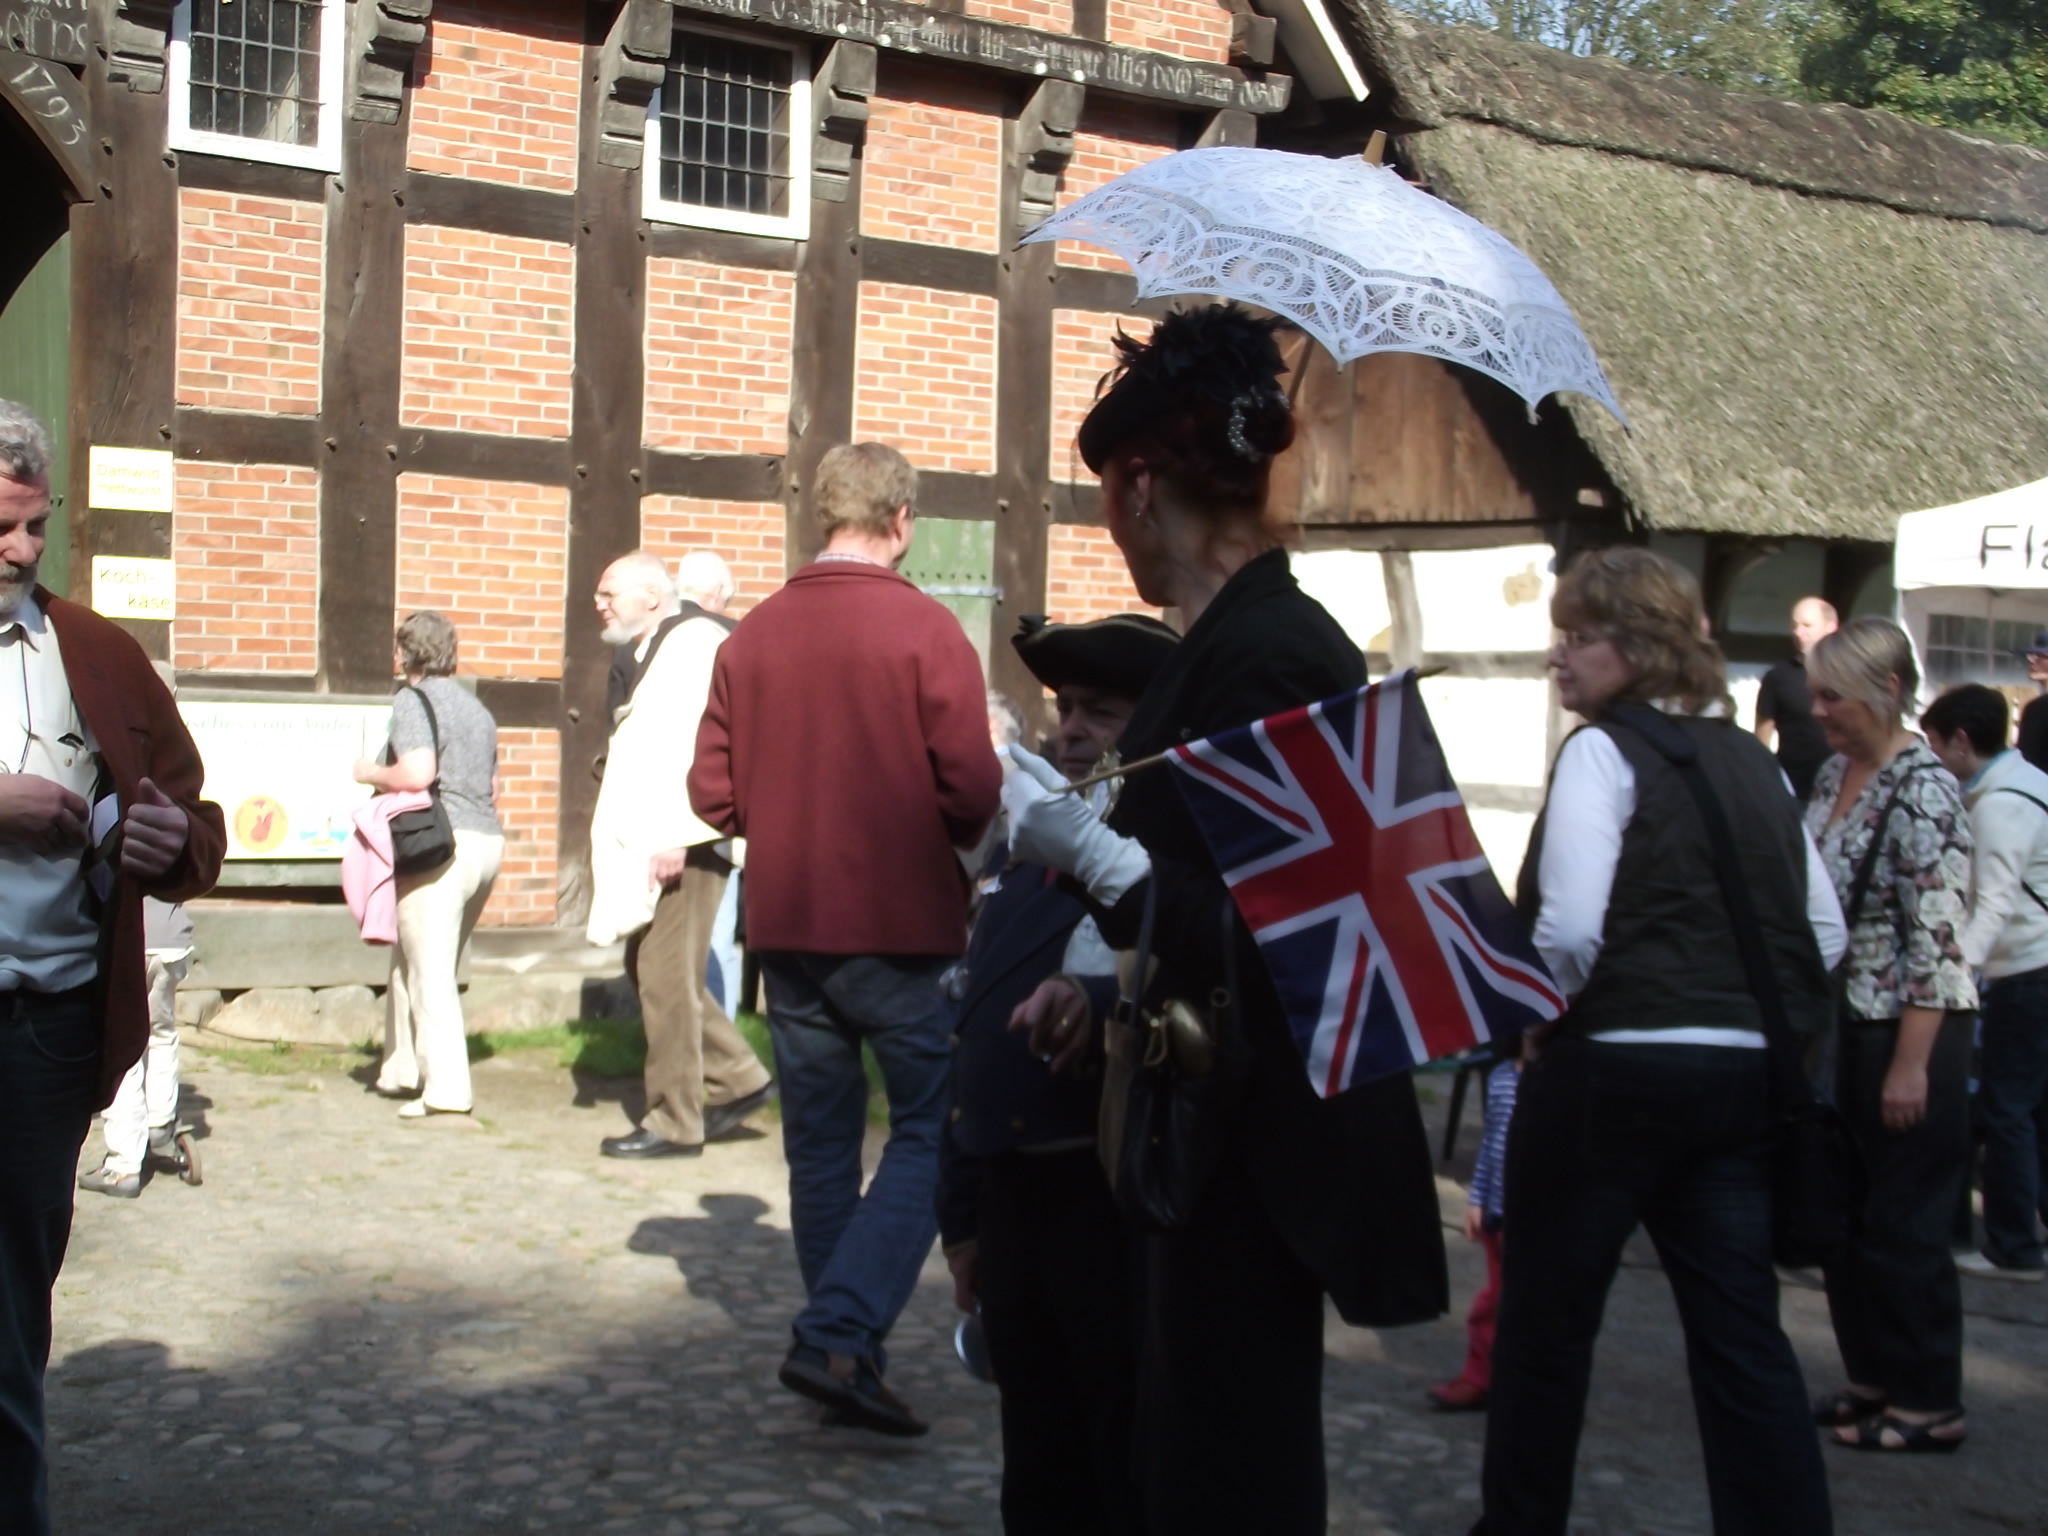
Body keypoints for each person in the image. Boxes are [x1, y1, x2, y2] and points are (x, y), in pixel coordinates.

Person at [1002, 306, 1446, 1533]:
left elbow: (1287, 934)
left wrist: (1092, 856)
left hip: (1248, 1139)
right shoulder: (1234, 641)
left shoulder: (1272, 650)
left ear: (1140, 483)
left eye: (1104, 492)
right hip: (1198, 1113)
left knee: (1224, 1467)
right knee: (1182, 1452)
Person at [1472, 547, 1842, 1535]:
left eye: (1575, 637)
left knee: (1546, 1332)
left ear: (1632, 646)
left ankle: (1517, 1525)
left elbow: (1569, 929)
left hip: (1611, 1072)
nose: (1558, 658)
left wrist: (1540, 1022)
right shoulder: (1754, 763)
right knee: (1738, 1335)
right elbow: (1825, 931)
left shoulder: (1600, 751)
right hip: (1738, 1080)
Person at [688, 442, 1003, 1437]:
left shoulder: (749, 640)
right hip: (904, 926)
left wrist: (784, 820)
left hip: (786, 927)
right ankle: (838, 1328)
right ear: (901, 519)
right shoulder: (925, 630)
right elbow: (974, 790)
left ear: (820, 516)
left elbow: (710, 792)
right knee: (927, 1131)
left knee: (819, 1149)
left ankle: (842, 1352)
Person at [0, 398, 226, 1535]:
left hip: (44, 1030)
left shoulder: (95, 650)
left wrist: (169, 840)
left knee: (11, 1311)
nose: (22, 551)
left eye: (36, 526)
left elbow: (196, 815)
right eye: (1, 525)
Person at [939, 612, 1178, 1535]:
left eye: (1102, 712)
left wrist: (1097, 999)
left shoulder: (1155, 864)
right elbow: (973, 1031)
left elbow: (1163, 978)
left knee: (1112, 1456)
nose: (1071, 729)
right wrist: (962, 1219)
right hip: (1012, 1202)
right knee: (1034, 1462)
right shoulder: (1024, 850)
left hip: (1101, 1199)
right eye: (1066, 708)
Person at [1805, 617, 1977, 1452]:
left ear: (1889, 691)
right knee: (1847, 1216)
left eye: (1833, 694)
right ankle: (1873, 1374)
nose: (1819, 710)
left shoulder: (1926, 788)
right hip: (1844, 1027)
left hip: (1907, 1032)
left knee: (1905, 1221)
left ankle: (1930, 1399)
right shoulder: (1836, 772)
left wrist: (1912, 1067)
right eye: (1816, 693)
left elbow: (1937, 944)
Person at [587, 550, 771, 1159]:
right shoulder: (660, 646)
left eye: (610, 591)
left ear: (653, 596)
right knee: (659, 967)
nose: (600, 602)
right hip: (675, 838)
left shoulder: (690, 643)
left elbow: (701, 745)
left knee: (664, 980)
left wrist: (674, 833)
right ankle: (738, 1076)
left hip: (685, 840)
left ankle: (674, 1119)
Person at [353, 612, 504, 1120]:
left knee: (431, 972)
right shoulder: (477, 710)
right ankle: (401, 1067)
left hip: (439, 847)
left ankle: (446, 1089)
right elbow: (493, 786)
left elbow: (419, 772)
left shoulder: (411, 700)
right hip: (486, 843)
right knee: (412, 958)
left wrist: (370, 771)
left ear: (405, 655)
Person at [1921, 683, 2048, 1281]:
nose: (1934, 757)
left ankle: (2013, 1245)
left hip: (2027, 971)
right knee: (2030, 1109)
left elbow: (1993, 905)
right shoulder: (2031, 784)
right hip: (2036, 966)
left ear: (1961, 741)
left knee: (2007, 1109)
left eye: (1935, 745)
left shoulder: (1999, 806)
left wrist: (1954, 977)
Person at [76, 897, 193, 1198]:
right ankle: (159, 1122)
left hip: (125, 938)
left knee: (121, 1045)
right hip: (169, 937)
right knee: (161, 1033)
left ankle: (124, 1163)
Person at [1427, 1052, 1517, 1413]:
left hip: (1536, 1219)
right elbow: (1491, 1144)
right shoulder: (1502, 1076)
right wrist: (1477, 1199)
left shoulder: (1560, 1079)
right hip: (1497, 1215)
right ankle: (1480, 1378)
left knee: (1527, 1307)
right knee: (1492, 1304)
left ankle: (1519, 1382)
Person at [1754, 596, 1839, 800]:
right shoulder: (1778, 677)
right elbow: (1761, 741)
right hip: (1792, 790)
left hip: (1839, 787)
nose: (1798, 632)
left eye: (1807, 625)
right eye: (1795, 625)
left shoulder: (1848, 676)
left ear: (1831, 627)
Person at [2015, 630, 2048, 774]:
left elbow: (2027, 760)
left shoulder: (2036, 710)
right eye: (2032, 656)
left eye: (2040, 656)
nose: (2032, 661)